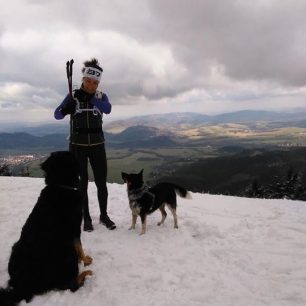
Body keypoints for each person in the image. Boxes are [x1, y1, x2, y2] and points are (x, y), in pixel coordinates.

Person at [54, 58, 116, 231]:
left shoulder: (100, 96)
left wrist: (90, 99)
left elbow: (108, 108)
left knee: (101, 182)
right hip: (77, 146)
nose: (91, 85)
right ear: (83, 79)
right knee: (82, 184)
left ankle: (104, 216)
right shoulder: (72, 96)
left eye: (95, 82)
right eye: (88, 81)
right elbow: (57, 114)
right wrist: (67, 109)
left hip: (97, 145)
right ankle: (86, 217)